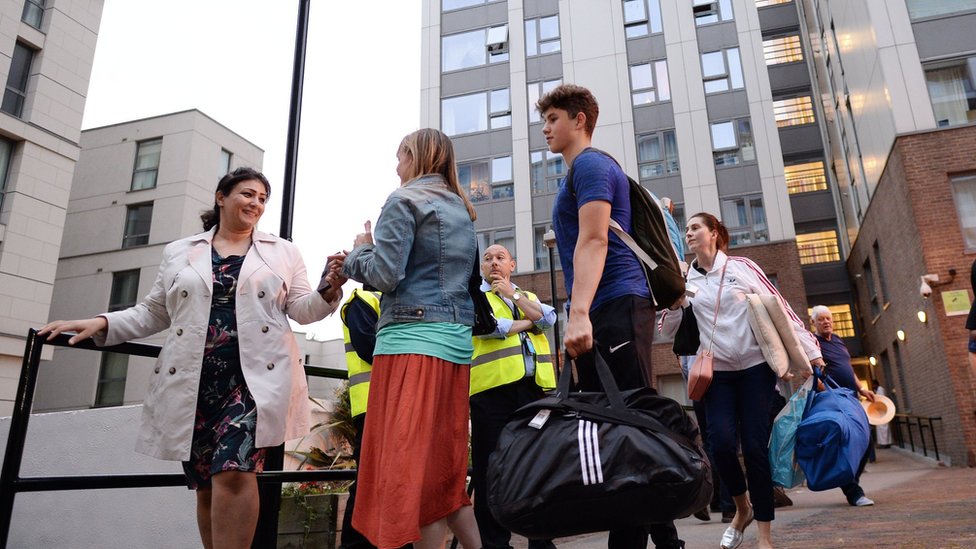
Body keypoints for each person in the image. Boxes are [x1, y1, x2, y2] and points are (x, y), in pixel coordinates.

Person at [39, 167, 345, 549]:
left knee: (234, 472)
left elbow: (302, 309)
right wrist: (100, 322)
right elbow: (153, 311)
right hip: (194, 382)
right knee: (205, 483)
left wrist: (330, 287)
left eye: (263, 198)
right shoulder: (181, 251)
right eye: (248, 194)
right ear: (221, 197)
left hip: (253, 382)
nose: (256, 203)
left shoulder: (282, 252)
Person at [538, 83, 684, 549]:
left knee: (628, 425)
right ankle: (667, 539)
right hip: (608, 306)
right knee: (625, 423)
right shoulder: (578, 172)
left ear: (579, 120)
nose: (546, 128)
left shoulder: (592, 165)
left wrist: (578, 312)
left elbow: (595, 239)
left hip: (615, 303)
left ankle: (650, 538)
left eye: (554, 118)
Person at [339, 128, 482, 549]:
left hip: (409, 342)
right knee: (439, 473)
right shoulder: (461, 208)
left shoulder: (403, 200)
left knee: (402, 469)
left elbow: (384, 274)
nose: (396, 165)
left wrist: (359, 250)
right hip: (454, 344)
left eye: (399, 156)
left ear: (414, 155)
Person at [661, 212, 823, 549]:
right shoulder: (685, 278)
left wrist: (812, 353)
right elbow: (668, 330)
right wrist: (676, 305)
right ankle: (741, 507)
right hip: (715, 374)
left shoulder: (742, 268)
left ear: (715, 233)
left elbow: (781, 310)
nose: (689, 233)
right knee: (719, 444)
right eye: (687, 229)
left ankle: (764, 534)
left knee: (753, 448)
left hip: (755, 370)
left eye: (695, 227)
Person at [470, 244, 557, 549]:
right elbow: (494, 328)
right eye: (488, 259)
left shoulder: (525, 295)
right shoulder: (476, 296)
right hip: (491, 393)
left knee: (537, 466)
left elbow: (551, 318)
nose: (493, 263)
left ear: (512, 265)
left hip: (533, 393)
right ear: (482, 267)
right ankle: (494, 544)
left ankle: (541, 541)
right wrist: (532, 322)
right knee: (490, 471)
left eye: (500, 258)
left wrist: (513, 295)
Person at [811, 305, 877, 507]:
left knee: (866, 442)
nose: (826, 322)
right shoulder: (813, 343)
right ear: (814, 323)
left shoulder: (838, 340)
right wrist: (827, 393)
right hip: (835, 401)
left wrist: (862, 388)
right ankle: (854, 492)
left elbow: (848, 369)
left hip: (852, 398)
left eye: (828, 318)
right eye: (821, 319)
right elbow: (809, 371)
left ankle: (851, 483)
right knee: (844, 444)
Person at [338, 287, 383, 549]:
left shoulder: (390, 300)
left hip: (389, 403)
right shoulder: (364, 299)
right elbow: (369, 347)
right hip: (372, 404)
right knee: (370, 480)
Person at [872, 379, 892, 448]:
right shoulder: (877, 390)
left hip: (883, 411)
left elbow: (881, 399)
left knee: (884, 427)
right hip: (879, 412)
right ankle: (883, 443)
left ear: (875, 384)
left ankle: (886, 443)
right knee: (881, 428)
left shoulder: (880, 389)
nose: (872, 386)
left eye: (873, 385)